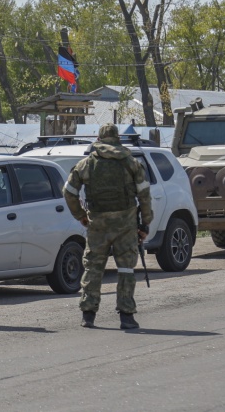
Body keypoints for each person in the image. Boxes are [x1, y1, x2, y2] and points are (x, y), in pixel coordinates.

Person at [63, 123, 154, 330]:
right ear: (117, 138)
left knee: (93, 267)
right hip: (126, 225)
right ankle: (126, 316)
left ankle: (88, 315)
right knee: (125, 269)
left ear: (99, 139)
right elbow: (145, 196)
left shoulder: (86, 164)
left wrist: (81, 215)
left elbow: (69, 192)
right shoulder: (131, 163)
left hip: (98, 225)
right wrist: (145, 223)